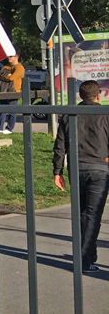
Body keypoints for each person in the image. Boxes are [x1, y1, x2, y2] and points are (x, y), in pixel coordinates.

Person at [54, 80, 109, 274]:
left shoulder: (69, 115)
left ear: (80, 95)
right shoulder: (105, 113)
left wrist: (57, 171)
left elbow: (60, 145)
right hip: (100, 168)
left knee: (81, 214)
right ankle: (87, 259)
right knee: (93, 215)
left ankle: (84, 256)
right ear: (99, 95)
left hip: (77, 168)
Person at [0, 53, 26, 134]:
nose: (9, 58)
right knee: (2, 110)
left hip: (14, 91)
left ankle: (9, 128)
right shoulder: (6, 66)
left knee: (12, 111)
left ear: (16, 57)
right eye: (8, 56)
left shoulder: (19, 67)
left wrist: (5, 76)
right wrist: (7, 75)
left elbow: (12, 78)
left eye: (11, 56)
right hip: (4, 90)